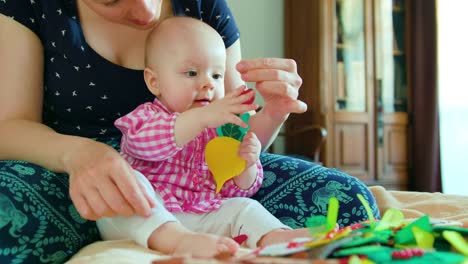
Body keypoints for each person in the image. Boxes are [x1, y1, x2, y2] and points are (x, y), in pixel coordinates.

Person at [0, 0, 380, 262]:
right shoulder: (30, 6)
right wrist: (81, 155)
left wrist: (274, 114)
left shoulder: (203, 6)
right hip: (68, 169)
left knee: (348, 201)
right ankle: (172, 237)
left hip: (198, 195)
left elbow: (234, 143)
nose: (146, 11)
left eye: (213, 75)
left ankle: (271, 236)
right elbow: (9, 126)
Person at [96, 16, 313, 258]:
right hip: (147, 219)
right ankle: (175, 240)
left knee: (244, 208)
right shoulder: (147, 117)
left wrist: (247, 164)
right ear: (154, 81)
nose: (208, 84)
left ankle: (276, 237)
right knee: (122, 185)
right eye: (191, 73)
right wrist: (202, 118)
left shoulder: (222, 129)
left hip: (200, 216)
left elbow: (237, 191)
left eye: (217, 76)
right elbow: (143, 145)